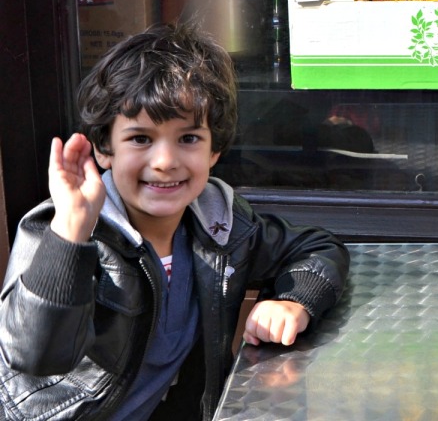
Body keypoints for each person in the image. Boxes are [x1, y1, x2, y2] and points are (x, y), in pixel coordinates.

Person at [0, 23, 350, 420]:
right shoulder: (58, 229)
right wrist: (72, 230)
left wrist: (293, 301)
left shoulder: (219, 223)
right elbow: (35, 355)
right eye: (140, 139)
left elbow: (316, 248)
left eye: (188, 139)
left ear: (214, 150)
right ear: (103, 148)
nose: (165, 161)